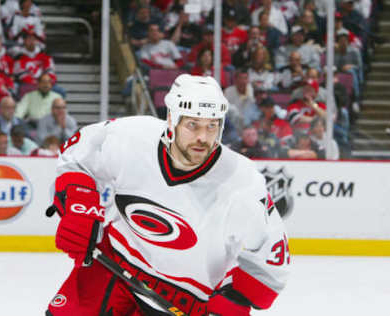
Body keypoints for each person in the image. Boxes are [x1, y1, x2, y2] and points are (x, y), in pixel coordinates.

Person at [45, 74, 289, 315]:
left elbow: (271, 257)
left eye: (211, 126)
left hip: (186, 296)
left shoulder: (242, 181)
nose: (202, 137)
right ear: (172, 120)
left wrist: (236, 300)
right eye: (192, 124)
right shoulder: (133, 136)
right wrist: (80, 206)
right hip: (113, 263)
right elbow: (78, 153)